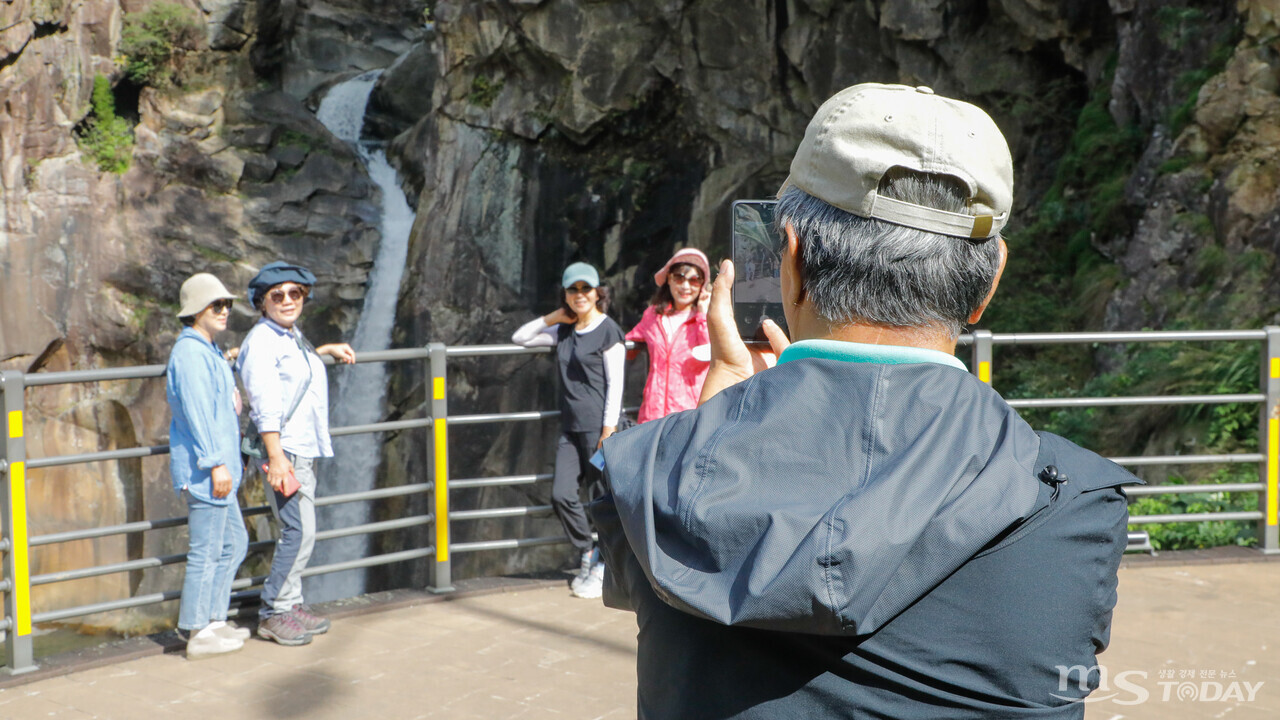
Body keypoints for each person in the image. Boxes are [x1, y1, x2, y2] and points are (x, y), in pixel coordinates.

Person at [590, 83, 1142, 718]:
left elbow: (654, 586)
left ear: (788, 259)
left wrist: (712, 419)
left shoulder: (644, 475)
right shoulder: (1075, 508)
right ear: (988, 282)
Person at [237, 261, 356, 646]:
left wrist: (322, 352)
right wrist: (277, 457)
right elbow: (265, 404)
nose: (288, 300)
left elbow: (291, 373)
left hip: (302, 448)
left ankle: (291, 602)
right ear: (262, 302)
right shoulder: (262, 341)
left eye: (295, 293)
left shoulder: (289, 336)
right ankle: (273, 612)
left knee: (303, 530)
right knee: (297, 530)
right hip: (285, 450)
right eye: (277, 295)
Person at [511, 261, 624, 600]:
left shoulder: (609, 331)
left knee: (601, 499)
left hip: (598, 429)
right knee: (562, 494)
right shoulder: (563, 331)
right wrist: (553, 318)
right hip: (569, 429)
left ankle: (603, 567)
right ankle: (587, 551)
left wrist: (608, 430)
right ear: (565, 294)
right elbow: (519, 338)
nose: (580, 295)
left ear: (597, 292)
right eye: (573, 289)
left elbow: (615, 384)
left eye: (585, 289)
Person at [165, 273, 250, 659]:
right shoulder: (189, 354)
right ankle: (196, 631)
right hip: (207, 471)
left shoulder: (209, 350)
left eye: (227, 304)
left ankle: (213, 620)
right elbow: (198, 413)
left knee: (234, 543)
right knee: (206, 550)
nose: (225, 310)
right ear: (196, 311)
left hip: (222, 472)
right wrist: (216, 464)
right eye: (217, 305)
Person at [625, 248, 712, 423]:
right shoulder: (652, 316)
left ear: (702, 286)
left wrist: (703, 314)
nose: (685, 286)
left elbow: (710, 352)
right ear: (669, 279)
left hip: (689, 415)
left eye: (694, 280)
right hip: (652, 414)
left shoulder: (705, 318)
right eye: (679, 277)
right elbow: (626, 345)